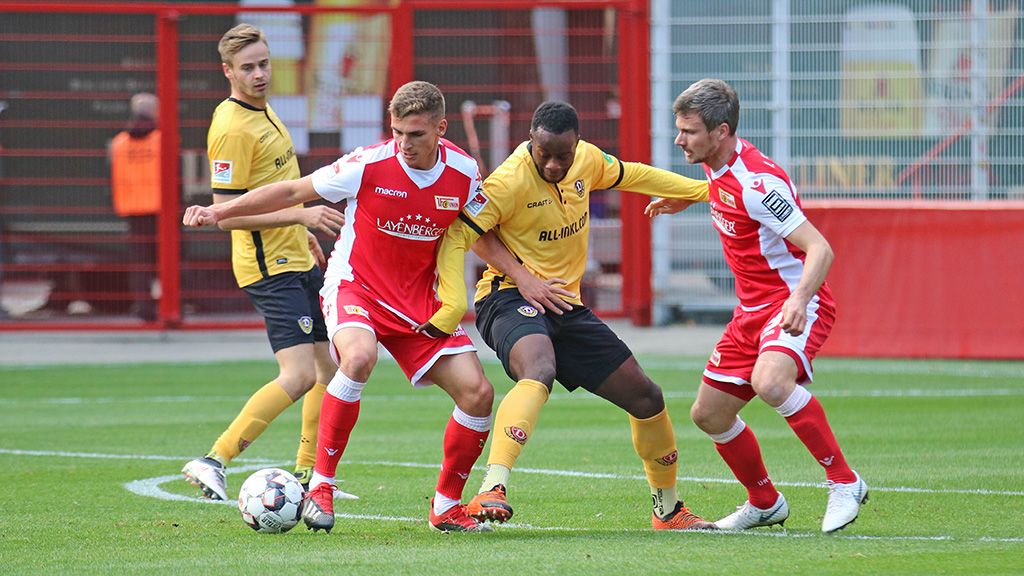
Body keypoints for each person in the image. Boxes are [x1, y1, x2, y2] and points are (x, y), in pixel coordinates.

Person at [183, 80, 496, 534]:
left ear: (441, 129)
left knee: (478, 393)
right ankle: (321, 486)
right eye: (397, 133)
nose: (404, 144)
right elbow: (293, 191)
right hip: (357, 288)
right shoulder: (367, 163)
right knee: (358, 357)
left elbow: (482, 232)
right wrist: (219, 214)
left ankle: (446, 506)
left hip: (418, 303)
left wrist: (525, 276)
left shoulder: (464, 173)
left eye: (416, 134)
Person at [423, 101, 715, 530]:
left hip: (565, 305)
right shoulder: (508, 181)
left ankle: (668, 511)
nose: (556, 164)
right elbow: (466, 233)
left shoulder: (588, 161)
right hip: (506, 297)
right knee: (538, 368)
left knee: (647, 398)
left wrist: (703, 191)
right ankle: (493, 486)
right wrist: (521, 278)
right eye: (546, 155)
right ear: (531, 142)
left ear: (577, 144)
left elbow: (634, 174)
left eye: (565, 155)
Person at [646, 78, 868, 533]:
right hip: (749, 312)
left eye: (688, 131)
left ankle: (844, 481)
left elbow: (820, 248)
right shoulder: (717, 166)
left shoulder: (758, 183)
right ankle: (765, 502)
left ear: (720, 131)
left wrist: (801, 301)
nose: (678, 139)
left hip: (793, 302)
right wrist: (687, 198)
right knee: (708, 414)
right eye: (679, 128)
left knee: (770, 382)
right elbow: (723, 189)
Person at [181, 24, 345, 502]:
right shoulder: (231, 128)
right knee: (297, 375)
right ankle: (214, 459)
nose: (259, 74)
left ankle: (309, 474)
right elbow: (225, 214)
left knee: (328, 369)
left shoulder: (266, 110)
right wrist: (302, 214)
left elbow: (275, 184)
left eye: (264, 64)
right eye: (248, 67)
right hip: (268, 268)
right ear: (227, 72)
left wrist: (304, 238)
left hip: (295, 256)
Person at [109, 92, 161, 321]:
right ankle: (174, 303)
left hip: (131, 209)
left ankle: (144, 308)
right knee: (170, 261)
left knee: (140, 264)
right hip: (160, 209)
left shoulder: (119, 143)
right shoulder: (161, 139)